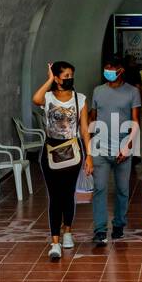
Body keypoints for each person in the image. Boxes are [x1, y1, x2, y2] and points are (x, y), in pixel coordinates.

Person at [33, 61, 93, 261]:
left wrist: (89, 156)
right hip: (50, 152)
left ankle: (68, 230)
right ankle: (55, 242)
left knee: (68, 194)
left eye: (71, 75)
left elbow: (84, 130)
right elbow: (36, 98)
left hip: (72, 152)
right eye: (65, 75)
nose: (69, 79)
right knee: (54, 197)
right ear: (57, 78)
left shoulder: (80, 99)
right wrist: (49, 79)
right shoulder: (48, 97)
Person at [88, 54, 141, 246]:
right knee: (100, 189)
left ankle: (119, 224)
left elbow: (135, 122)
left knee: (122, 190)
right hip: (100, 149)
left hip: (122, 150)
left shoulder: (132, 92)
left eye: (112, 68)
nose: (108, 71)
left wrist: (127, 147)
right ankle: (100, 230)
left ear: (121, 70)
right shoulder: (98, 91)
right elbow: (93, 119)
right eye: (107, 68)